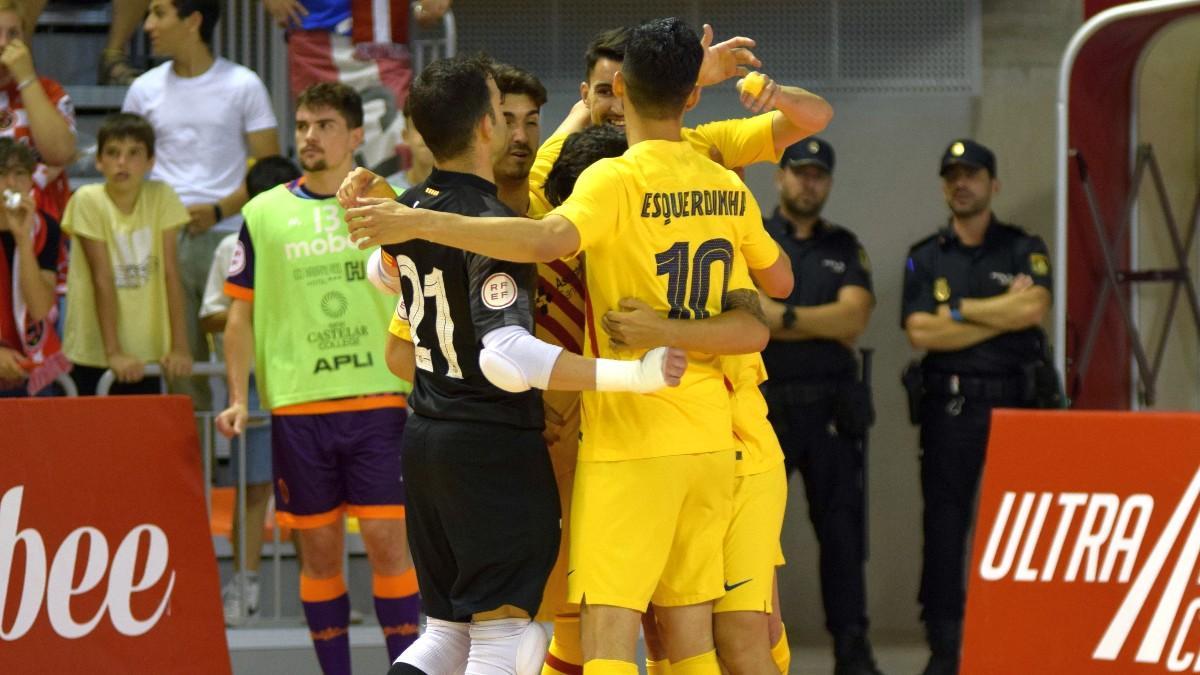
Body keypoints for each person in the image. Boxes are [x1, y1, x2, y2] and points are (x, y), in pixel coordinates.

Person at [341, 19, 794, 674]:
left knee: (560, 637)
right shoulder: (726, 184)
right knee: (687, 635)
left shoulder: (602, 186)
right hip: (710, 437)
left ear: (620, 92)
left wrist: (404, 220)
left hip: (608, 440)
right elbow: (775, 292)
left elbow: (526, 245)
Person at [214, 83, 416, 674]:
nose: (309, 136)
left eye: (324, 124)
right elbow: (239, 314)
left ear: (356, 136)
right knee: (320, 551)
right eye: (302, 124)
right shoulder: (263, 212)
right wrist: (234, 396)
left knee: (386, 543)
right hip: (299, 407)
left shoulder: (395, 202)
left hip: (381, 398)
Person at [901, 139, 1054, 675]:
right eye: (952, 176)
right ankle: (945, 647)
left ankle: (1021, 642)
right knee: (945, 528)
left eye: (972, 175)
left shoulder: (1022, 246)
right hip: (953, 408)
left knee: (1022, 528)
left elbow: (1034, 307)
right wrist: (999, 311)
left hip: (1018, 405)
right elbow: (920, 330)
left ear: (994, 184)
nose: (960, 184)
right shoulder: (926, 253)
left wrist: (960, 311)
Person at [757, 138, 881, 675]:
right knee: (752, 539)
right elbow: (741, 311)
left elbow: (854, 319)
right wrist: (813, 320)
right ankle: (750, 649)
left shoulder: (845, 247)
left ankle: (852, 653)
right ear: (780, 177)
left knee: (843, 536)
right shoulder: (754, 238)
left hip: (831, 412)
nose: (809, 183)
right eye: (800, 173)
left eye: (818, 175)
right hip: (763, 410)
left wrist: (780, 318)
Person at [124, 0, 280, 409]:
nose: (149, 24)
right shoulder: (143, 89)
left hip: (231, 237)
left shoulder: (243, 83)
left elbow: (269, 170)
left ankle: (258, 471)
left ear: (193, 20)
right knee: (180, 369)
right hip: (165, 242)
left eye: (159, 13)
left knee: (248, 358)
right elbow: (129, 164)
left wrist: (217, 211)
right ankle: (196, 473)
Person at [198, 155, 302, 626]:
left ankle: (319, 586)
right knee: (254, 488)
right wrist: (256, 309)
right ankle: (245, 587)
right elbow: (211, 315)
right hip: (256, 385)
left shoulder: (308, 238)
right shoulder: (230, 248)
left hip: (306, 378)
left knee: (309, 489)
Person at [61, 112, 192, 396]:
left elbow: (171, 273)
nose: (122, 162)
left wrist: (180, 346)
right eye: (113, 153)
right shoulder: (87, 199)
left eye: (134, 153)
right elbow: (101, 278)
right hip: (95, 349)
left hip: (146, 350)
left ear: (150, 161)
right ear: (99, 161)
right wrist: (114, 352)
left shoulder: (162, 196)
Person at [273, 0, 452, 174]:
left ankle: (390, 204)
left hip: (384, 37)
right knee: (319, 136)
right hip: (315, 36)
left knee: (396, 132)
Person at [0, 0, 76, 225]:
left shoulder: (49, 91)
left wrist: (27, 79)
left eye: (13, 34)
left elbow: (60, 154)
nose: (3, 44)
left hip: (44, 225)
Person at [0, 137, 66, 396]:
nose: (11, 184)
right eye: (2, 174)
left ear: (30, 181)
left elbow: (40, 308)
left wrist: (22, 240)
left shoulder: (44, 227)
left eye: (20, 174)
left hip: (27, 361)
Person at [386, 99, 434, 190]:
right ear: (406, 136)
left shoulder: (464, 193)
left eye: (434, 127)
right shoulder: (387, 190)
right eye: (419, 126)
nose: (427, 134)